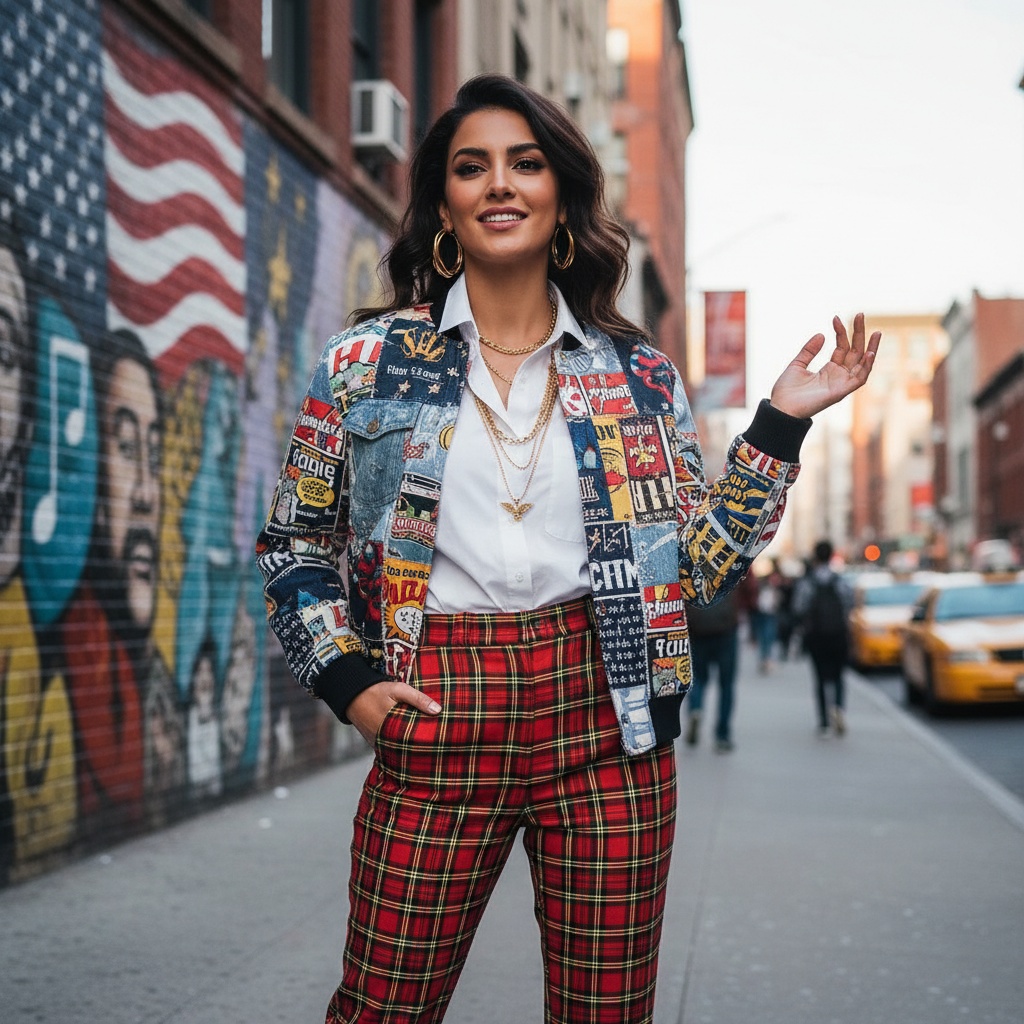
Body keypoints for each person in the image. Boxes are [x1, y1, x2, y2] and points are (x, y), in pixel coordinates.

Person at [255, 74, 880, 1024]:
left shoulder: (639, 378)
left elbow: (695, 568)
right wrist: (348, 681)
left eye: (525, 163)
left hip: (607, 711)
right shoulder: (368, 364)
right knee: (381, 1006)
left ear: (560, 199)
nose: (499, 184)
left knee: (606, 1013)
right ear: (446, 205)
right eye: (473, 168)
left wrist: (780, 425)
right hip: (437, 709)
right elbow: (294, 541)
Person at [793, 539, 855, 737]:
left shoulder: (808, 582)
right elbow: (850, 603)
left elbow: (799, 607)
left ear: (815, 557)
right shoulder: (840, 581)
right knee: (838, 676)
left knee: (819, 677)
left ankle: (824, 723)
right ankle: (838, 708)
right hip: (838, 634)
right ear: (830, 556)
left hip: (816, 636)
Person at [683, 591, 740, 752]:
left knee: (698, 679)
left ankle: (695, 709)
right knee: (726, 685)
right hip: (726, 630)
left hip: (698, 630)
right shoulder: (730, 565)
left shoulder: (692, 565)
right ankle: (722, 735)